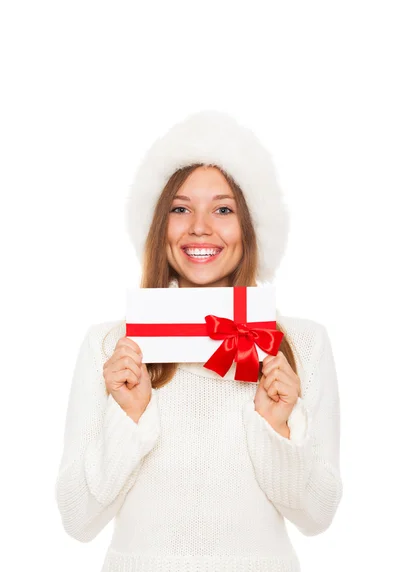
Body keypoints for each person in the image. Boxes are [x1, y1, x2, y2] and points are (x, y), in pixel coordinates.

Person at [55, 110, 343, 572]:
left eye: (223, 209)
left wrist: (278, 430)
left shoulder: (302, 345)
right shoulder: (110, 346)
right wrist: (128, 417)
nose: (200, 227)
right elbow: (77, 519)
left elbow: (318, 516)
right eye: (180, 208)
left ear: (250, 226)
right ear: (159, 225)